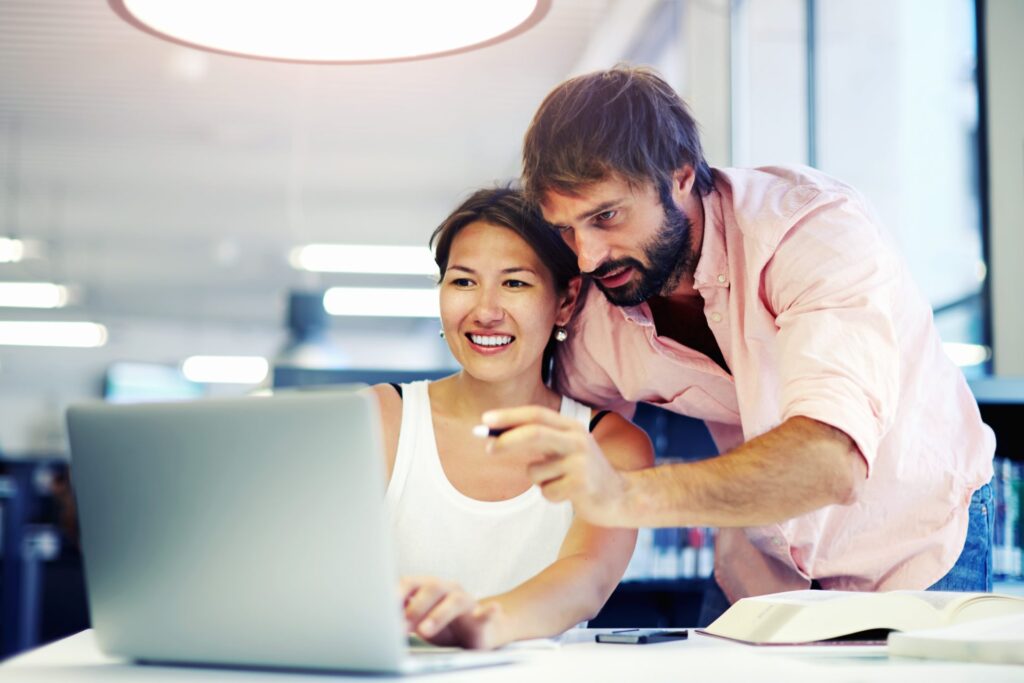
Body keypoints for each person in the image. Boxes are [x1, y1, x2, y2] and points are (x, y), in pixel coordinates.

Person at [478, 66, 995, 625]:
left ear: (678, 175)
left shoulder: (813, 231)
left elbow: (830, 463)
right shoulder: (595, 310)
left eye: (606, 216)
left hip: (918, 548)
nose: (587, 256)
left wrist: (624, 493)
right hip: (760, 568)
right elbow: (568, 446)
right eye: (566, 229)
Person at [368, 187, 653, 649]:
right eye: (463, 282)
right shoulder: (381, 418)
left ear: (565, 300)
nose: (485, 312)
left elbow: (587, 579)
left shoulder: (609, 444)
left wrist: (479, 623)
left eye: (515, 283)